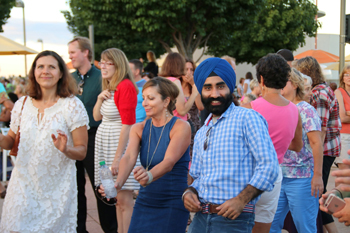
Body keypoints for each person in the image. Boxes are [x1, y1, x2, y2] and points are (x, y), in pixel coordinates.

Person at [183, 57, 279, 233]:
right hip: (200, 220)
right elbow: (197, 177)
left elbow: (269, 167)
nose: (214, 94)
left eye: (220, 86)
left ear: (230, 87)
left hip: (233, 221)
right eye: (207, 88)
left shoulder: (247, 118)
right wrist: (189, 193)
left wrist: (241, 200)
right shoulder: (203, 131)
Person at [0, 50, 89, 232]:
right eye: (40, 66)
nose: (45, 71)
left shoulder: (72, 105)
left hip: (57, 191)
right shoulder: (21, 104)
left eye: (51, 67)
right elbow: (9, 142)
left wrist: (66, 149)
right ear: (34, 72)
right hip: (22, 186)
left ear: (61, 73)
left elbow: (81, 151)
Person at [100, 77, 191, 233]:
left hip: (172, 200)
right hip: (146, 199)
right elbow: (128, 157)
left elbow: (169, 162)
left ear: (166, 101)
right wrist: (118, 184)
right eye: (143, 99)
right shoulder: (139, 128)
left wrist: (148, 176)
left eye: (151, 98)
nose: (144, 103)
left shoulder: (181, 126)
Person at [241, 54, 303, 233]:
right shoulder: (295, 111)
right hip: (274, 177)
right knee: (263, 228)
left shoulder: (248, 109)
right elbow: (296, 146)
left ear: (261, 79)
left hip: (247, 175)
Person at [68, 37, 116, 233]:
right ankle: (79, 229)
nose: (70, 56)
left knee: (102, 185)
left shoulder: (101, 77)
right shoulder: (69, 78)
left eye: (73, 52)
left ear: (85, 52)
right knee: (75, 187)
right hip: (72, 138)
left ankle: (111, 229)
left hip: (96, 136)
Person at [270, 68, 324, 233]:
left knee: (305, 227)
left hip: (302, 178)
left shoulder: (305, 109)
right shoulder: (279, 107)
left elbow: (317, 143)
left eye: (282, 81)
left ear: (293, 84)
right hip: (279, 177)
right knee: (269, 225)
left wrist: (317, 176)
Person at [293, 56, 341, 233]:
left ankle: (335, 229)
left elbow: (319, 131)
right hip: (326, 148)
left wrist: (314, 158)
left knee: (319, 194)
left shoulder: (319, 93)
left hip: (324, 150)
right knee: (319, 195)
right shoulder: (321, 90)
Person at [93, 48, 139, 233]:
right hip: (106, 144)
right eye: (101, 62)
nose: (102, 66)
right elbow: (97, 117)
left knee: (124, 200)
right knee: (117, 201)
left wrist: (118, 158)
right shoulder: (110, 87)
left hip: (117, 145)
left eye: (107, 62)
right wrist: (99, 99)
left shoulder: (125, 86)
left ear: (118, 64)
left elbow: (128, 125)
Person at [158, 52, 199, 121]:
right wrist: (194, 93)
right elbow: (182, 111)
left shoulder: (162, 81)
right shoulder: (175, 82)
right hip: (177, 125)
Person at [334, 65, 350, 177]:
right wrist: (346, 113)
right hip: (344, 137)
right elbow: (342, 117)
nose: (349, 77)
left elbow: (346, 114)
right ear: (342, 78)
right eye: (346, 75)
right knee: (344, 173)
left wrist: (348, 112)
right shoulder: (338, 92)